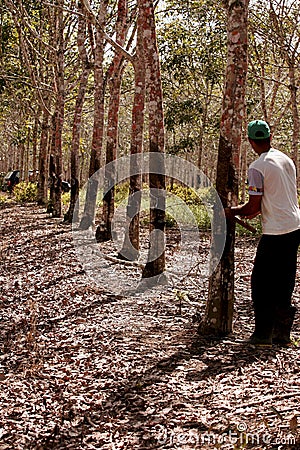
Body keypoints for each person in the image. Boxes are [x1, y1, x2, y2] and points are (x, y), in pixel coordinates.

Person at [226, 119, 300, 346]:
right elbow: (278, 195)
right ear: (269, 137)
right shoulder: (285, 159)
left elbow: (253, 205)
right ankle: (282, 334)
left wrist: (233, 211)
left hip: (276, 231)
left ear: (250, 141)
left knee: (261, 282)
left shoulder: (257, 167)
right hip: (294, 226)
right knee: (285, 279)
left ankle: (262, 334)